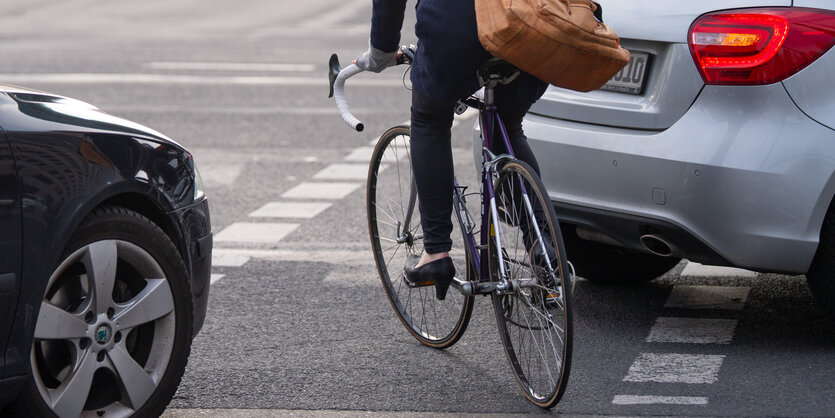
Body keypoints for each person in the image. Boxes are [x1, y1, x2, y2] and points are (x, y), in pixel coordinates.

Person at [356, 0, 548, 300]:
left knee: (430, 119)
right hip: (540, 24)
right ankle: (545, 251)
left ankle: (436, 252)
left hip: (461, 24)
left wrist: (380, 52)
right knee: (506, 126)